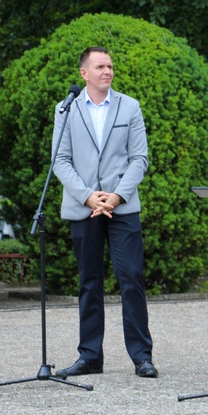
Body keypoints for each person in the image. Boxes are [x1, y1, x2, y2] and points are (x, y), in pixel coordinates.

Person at [52, 46, 157, 379]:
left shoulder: (130, 107)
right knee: (89, 282)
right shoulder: (66, 109)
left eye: (110, 66)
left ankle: (142, 356)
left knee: (131, 279)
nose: (107, 71)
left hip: (121, 208)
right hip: (85, 208)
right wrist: (87, 197)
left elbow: (139, 158)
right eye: (100, 66)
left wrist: (115, 197)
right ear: (84, 73)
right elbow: (60, 160)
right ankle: (90, 356)